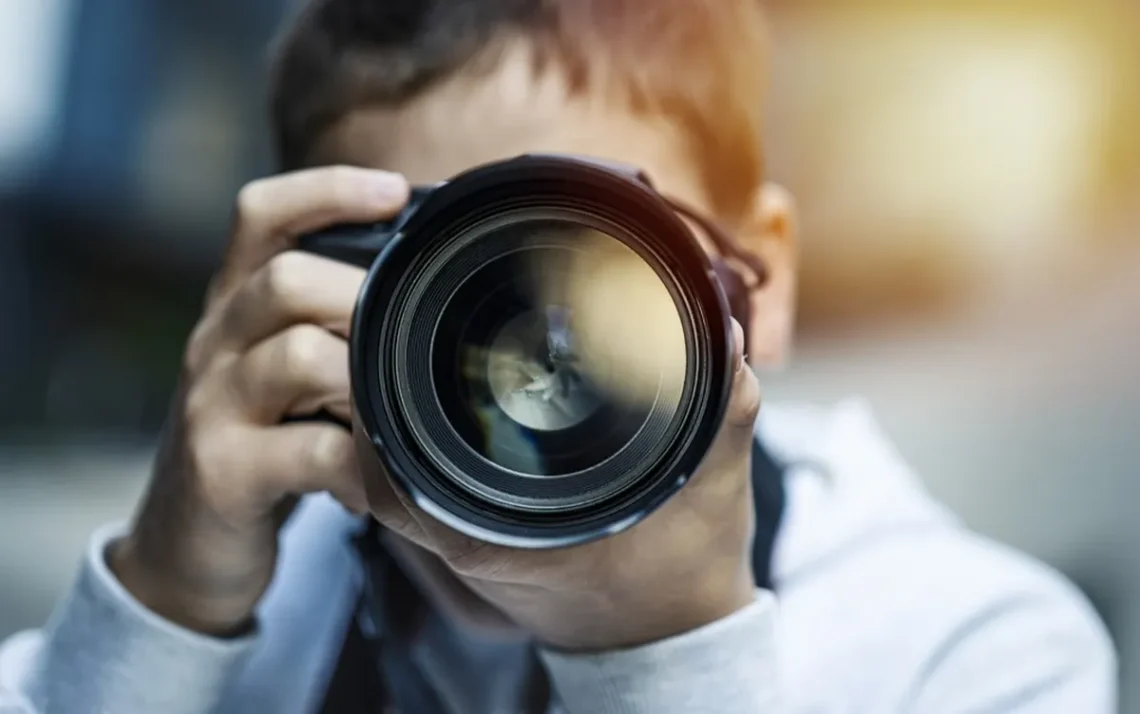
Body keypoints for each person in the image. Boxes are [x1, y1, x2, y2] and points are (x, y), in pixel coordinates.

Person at [0, 1, 1118, 712]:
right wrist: (166, 603)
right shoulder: (239, 606)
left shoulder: (977, 651)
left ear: (756, 285)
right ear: (301, 277)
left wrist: (665, 652)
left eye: (611, 269)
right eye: (439, 280)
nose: (518, 361)